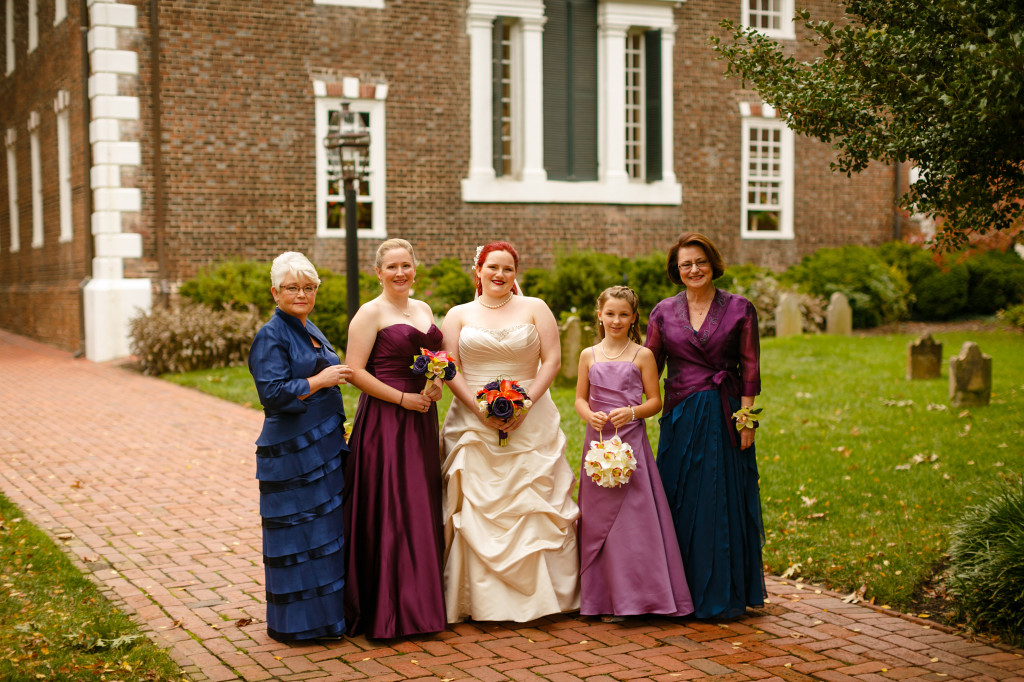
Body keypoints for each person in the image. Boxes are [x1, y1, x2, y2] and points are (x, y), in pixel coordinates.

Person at [439, 241, 580, 623]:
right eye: (493, 267)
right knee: (474, 504)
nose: (499, 275)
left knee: (534, 500)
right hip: (472, 422)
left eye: (508, 269)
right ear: (479, 270)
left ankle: (549, 598)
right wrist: (478, 408)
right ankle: (476, 600)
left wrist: (525, 404)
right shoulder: (457, 314)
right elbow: (449, 367)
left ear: (515, 274)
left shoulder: (536, 308)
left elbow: (552, 360)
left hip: (531, 417)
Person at [645, 232, 766, 620]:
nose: (694, 270)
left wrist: (746, 421)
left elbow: (750, 368)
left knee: (720, 501)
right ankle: (676, 593)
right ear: (676, 271)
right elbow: (649, 367)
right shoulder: (663, 312)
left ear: (713, 263)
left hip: (723, 414)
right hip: (679, 418)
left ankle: (722, 592)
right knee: (678, 498)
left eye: (700, 262)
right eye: (685, 264)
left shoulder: (740, 308)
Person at [343, 238, 447, 639]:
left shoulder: (422, 309)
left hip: (421, 415)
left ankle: (419, 607)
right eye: (392, 267)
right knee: (391, 506)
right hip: (387, 417)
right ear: (379, 272)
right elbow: (354, 372)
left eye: (406, 265)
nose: (400, 273)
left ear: (415, 269)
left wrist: (435, 383)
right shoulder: (369, 314)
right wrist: (403, 398)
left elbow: (433, 360)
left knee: (418, 503)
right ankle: (388, 611)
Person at [248, 251, 353, 641]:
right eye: (293, 288)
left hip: (322, 450)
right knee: (296, 539)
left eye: (309, 287)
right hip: (291, 453)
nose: (302, 294)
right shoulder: (271, 334)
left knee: (324, 537)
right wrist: (322, 381)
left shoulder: (310, 327)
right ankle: (297, 627)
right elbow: (272, 394)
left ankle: (328, 622)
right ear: (275, 292)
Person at [574, 286, 694, 622]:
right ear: (599, 315)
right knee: (600, 522)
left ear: (633, 318)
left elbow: (655, 401)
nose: (616, 320)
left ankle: (639, 598)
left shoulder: (641, 355)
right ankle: (602, 598)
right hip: (597, 443)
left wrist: (633, 412)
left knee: (633, 521)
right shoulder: (588, 354)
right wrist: (588, 415)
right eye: (610, 313)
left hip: (630, 443)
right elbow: (580, 399)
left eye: (623, 314)